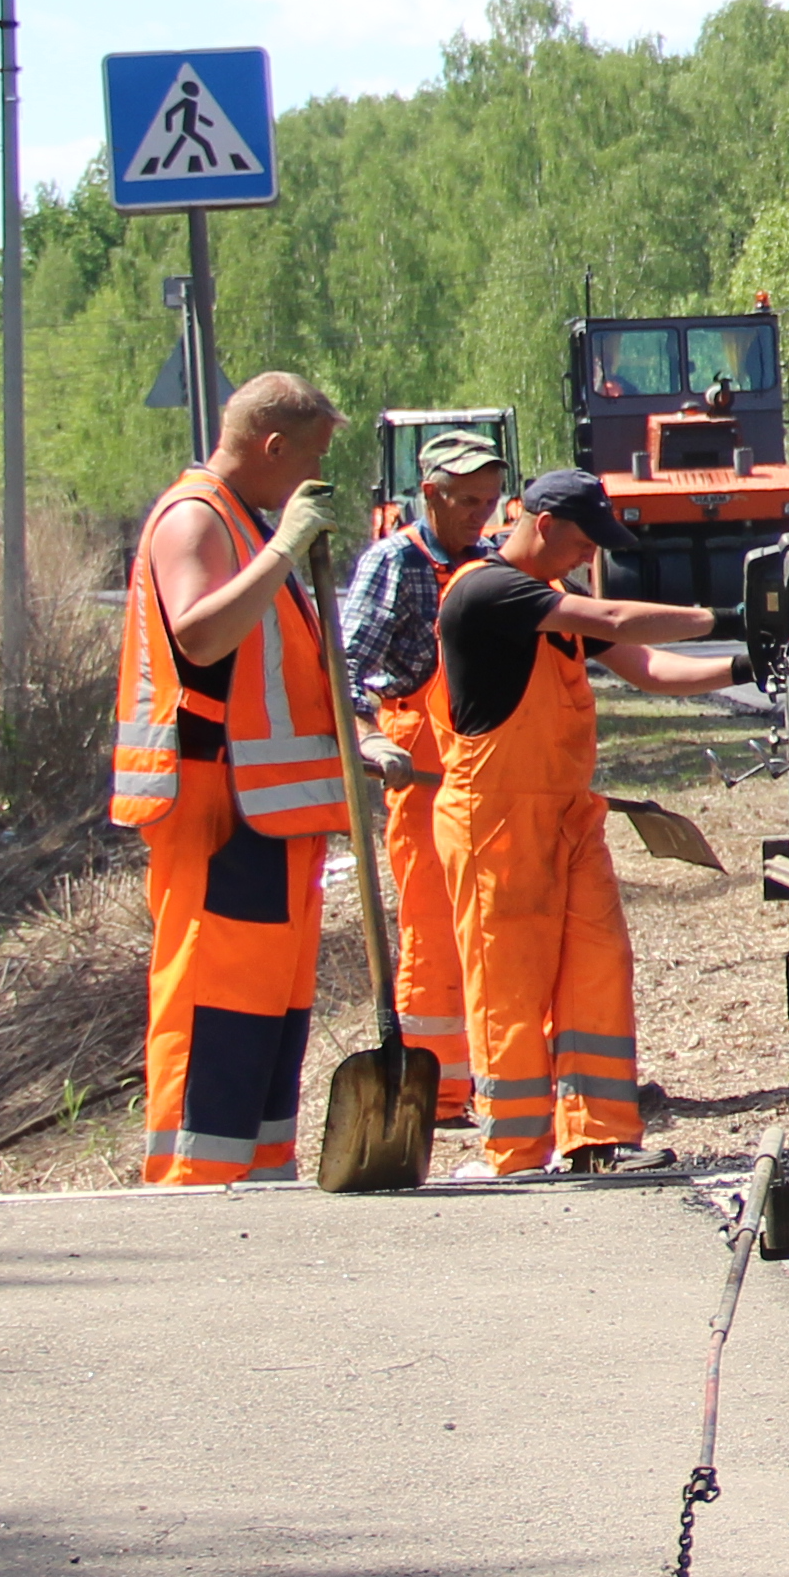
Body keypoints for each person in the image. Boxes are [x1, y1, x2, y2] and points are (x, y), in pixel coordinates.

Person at [436, 467, 742, 1175]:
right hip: (497, 823)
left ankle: (598, 1138)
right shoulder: (489, 590)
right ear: (543, 525)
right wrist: (728, 617)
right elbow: (612, 621)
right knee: (510, 987)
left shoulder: (551, 600)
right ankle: (512, 1150)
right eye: (582, 542)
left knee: (596, 971)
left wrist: (748, 660)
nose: (588, 556)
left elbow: (651, 668)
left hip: (565, 817)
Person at [113, 373, 355, 1183]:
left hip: (269, 816)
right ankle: (193, 1181)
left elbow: (275, 675)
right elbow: (201, 635)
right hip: (217, 812)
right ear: (272, 446)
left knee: (266, 1011)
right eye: (310, 457)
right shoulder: (197, 518)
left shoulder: (247, 526)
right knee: (213, 1004)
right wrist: (287, 546)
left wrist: (354, 746)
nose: (314, 476)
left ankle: (253, 1175)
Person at [336, 425, 507, 1097]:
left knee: (493, 927)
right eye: (466, 500)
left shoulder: (492, 561)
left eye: (489, 500)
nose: (480, 514)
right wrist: (368, 737)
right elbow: (346, 666)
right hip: (424, 772)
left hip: (488, 769)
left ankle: (496, 1074)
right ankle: (432, 1089)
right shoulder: (393, 564)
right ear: (429, 495)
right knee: (435, 933)